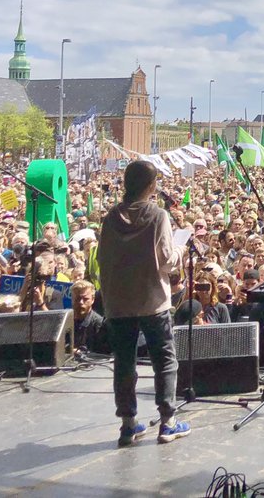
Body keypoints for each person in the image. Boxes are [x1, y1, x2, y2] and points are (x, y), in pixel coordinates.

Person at [96, 160, 189, 447]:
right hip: (152, 300)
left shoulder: (110, 218)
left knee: (124, 362)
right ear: (151, 185)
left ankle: (128, 424)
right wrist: (181, 248)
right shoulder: (157, 215)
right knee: (164, 360)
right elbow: (166, 260)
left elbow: (102, 258)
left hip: (118, 301)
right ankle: (168, 421)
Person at [71, 280, 107, 354]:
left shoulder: (99, 324)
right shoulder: (65, 321)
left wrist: (80, 353)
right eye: (77, 298)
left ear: (92, 299)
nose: (81, 302)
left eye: (85, 299)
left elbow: (102, 353)